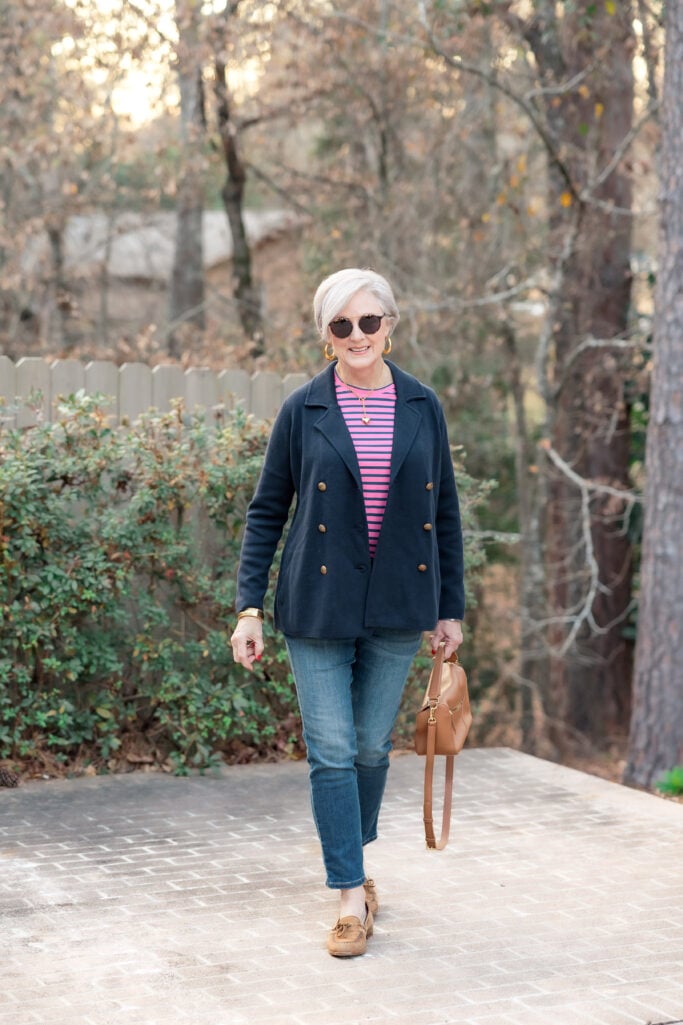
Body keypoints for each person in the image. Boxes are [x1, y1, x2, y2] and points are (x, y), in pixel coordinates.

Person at [231, 267, 464, 957]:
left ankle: (352, 864)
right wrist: (248, 608)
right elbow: (266, 512)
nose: (357, 335)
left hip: (399, 602)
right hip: (317, 602)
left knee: (368, 748)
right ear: (325, 334)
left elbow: (445, 512)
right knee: (331, 750)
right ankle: (348, 896)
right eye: (341, 324)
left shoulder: (422, 404)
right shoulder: (302, 409)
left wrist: (449, 608)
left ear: (389, 325)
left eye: (368, 321)